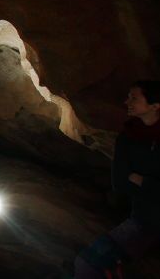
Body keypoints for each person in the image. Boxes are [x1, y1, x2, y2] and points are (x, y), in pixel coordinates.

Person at [74, 81, 160, 278]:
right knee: (87, 264)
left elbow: (132, 180)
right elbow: (120, 182)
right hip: (144, 219)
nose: (126, 101)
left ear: (155, 106)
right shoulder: (128, 137)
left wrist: (142, 181)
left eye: (134, 98)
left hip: (146, 218)